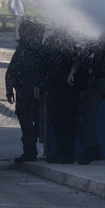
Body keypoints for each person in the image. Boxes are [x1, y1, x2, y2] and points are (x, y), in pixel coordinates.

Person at [69, 34, 105, 164]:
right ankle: (94, 149)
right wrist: (73, 70)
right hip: (99, 82)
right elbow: (84, 54)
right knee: (87, 112)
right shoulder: (98, 37)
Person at [5, 20, 46, 165]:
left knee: (29, 122)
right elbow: (12, 70)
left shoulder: (30, 48)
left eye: (22, 30)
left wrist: (10, 89)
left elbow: (14, 70)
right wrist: (9, 89)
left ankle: (30, 150)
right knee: (32, 121)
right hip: (28, 91)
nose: (19, 32)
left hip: (29, 91)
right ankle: (30, 148)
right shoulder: (33, 47)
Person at [42, 29, 80, 164]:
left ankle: (65, 154)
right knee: (63, 123)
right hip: (62, 88)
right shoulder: (70, 43)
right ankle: (64, 153)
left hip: (63, 89)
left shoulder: (56, 42)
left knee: (63, 123)